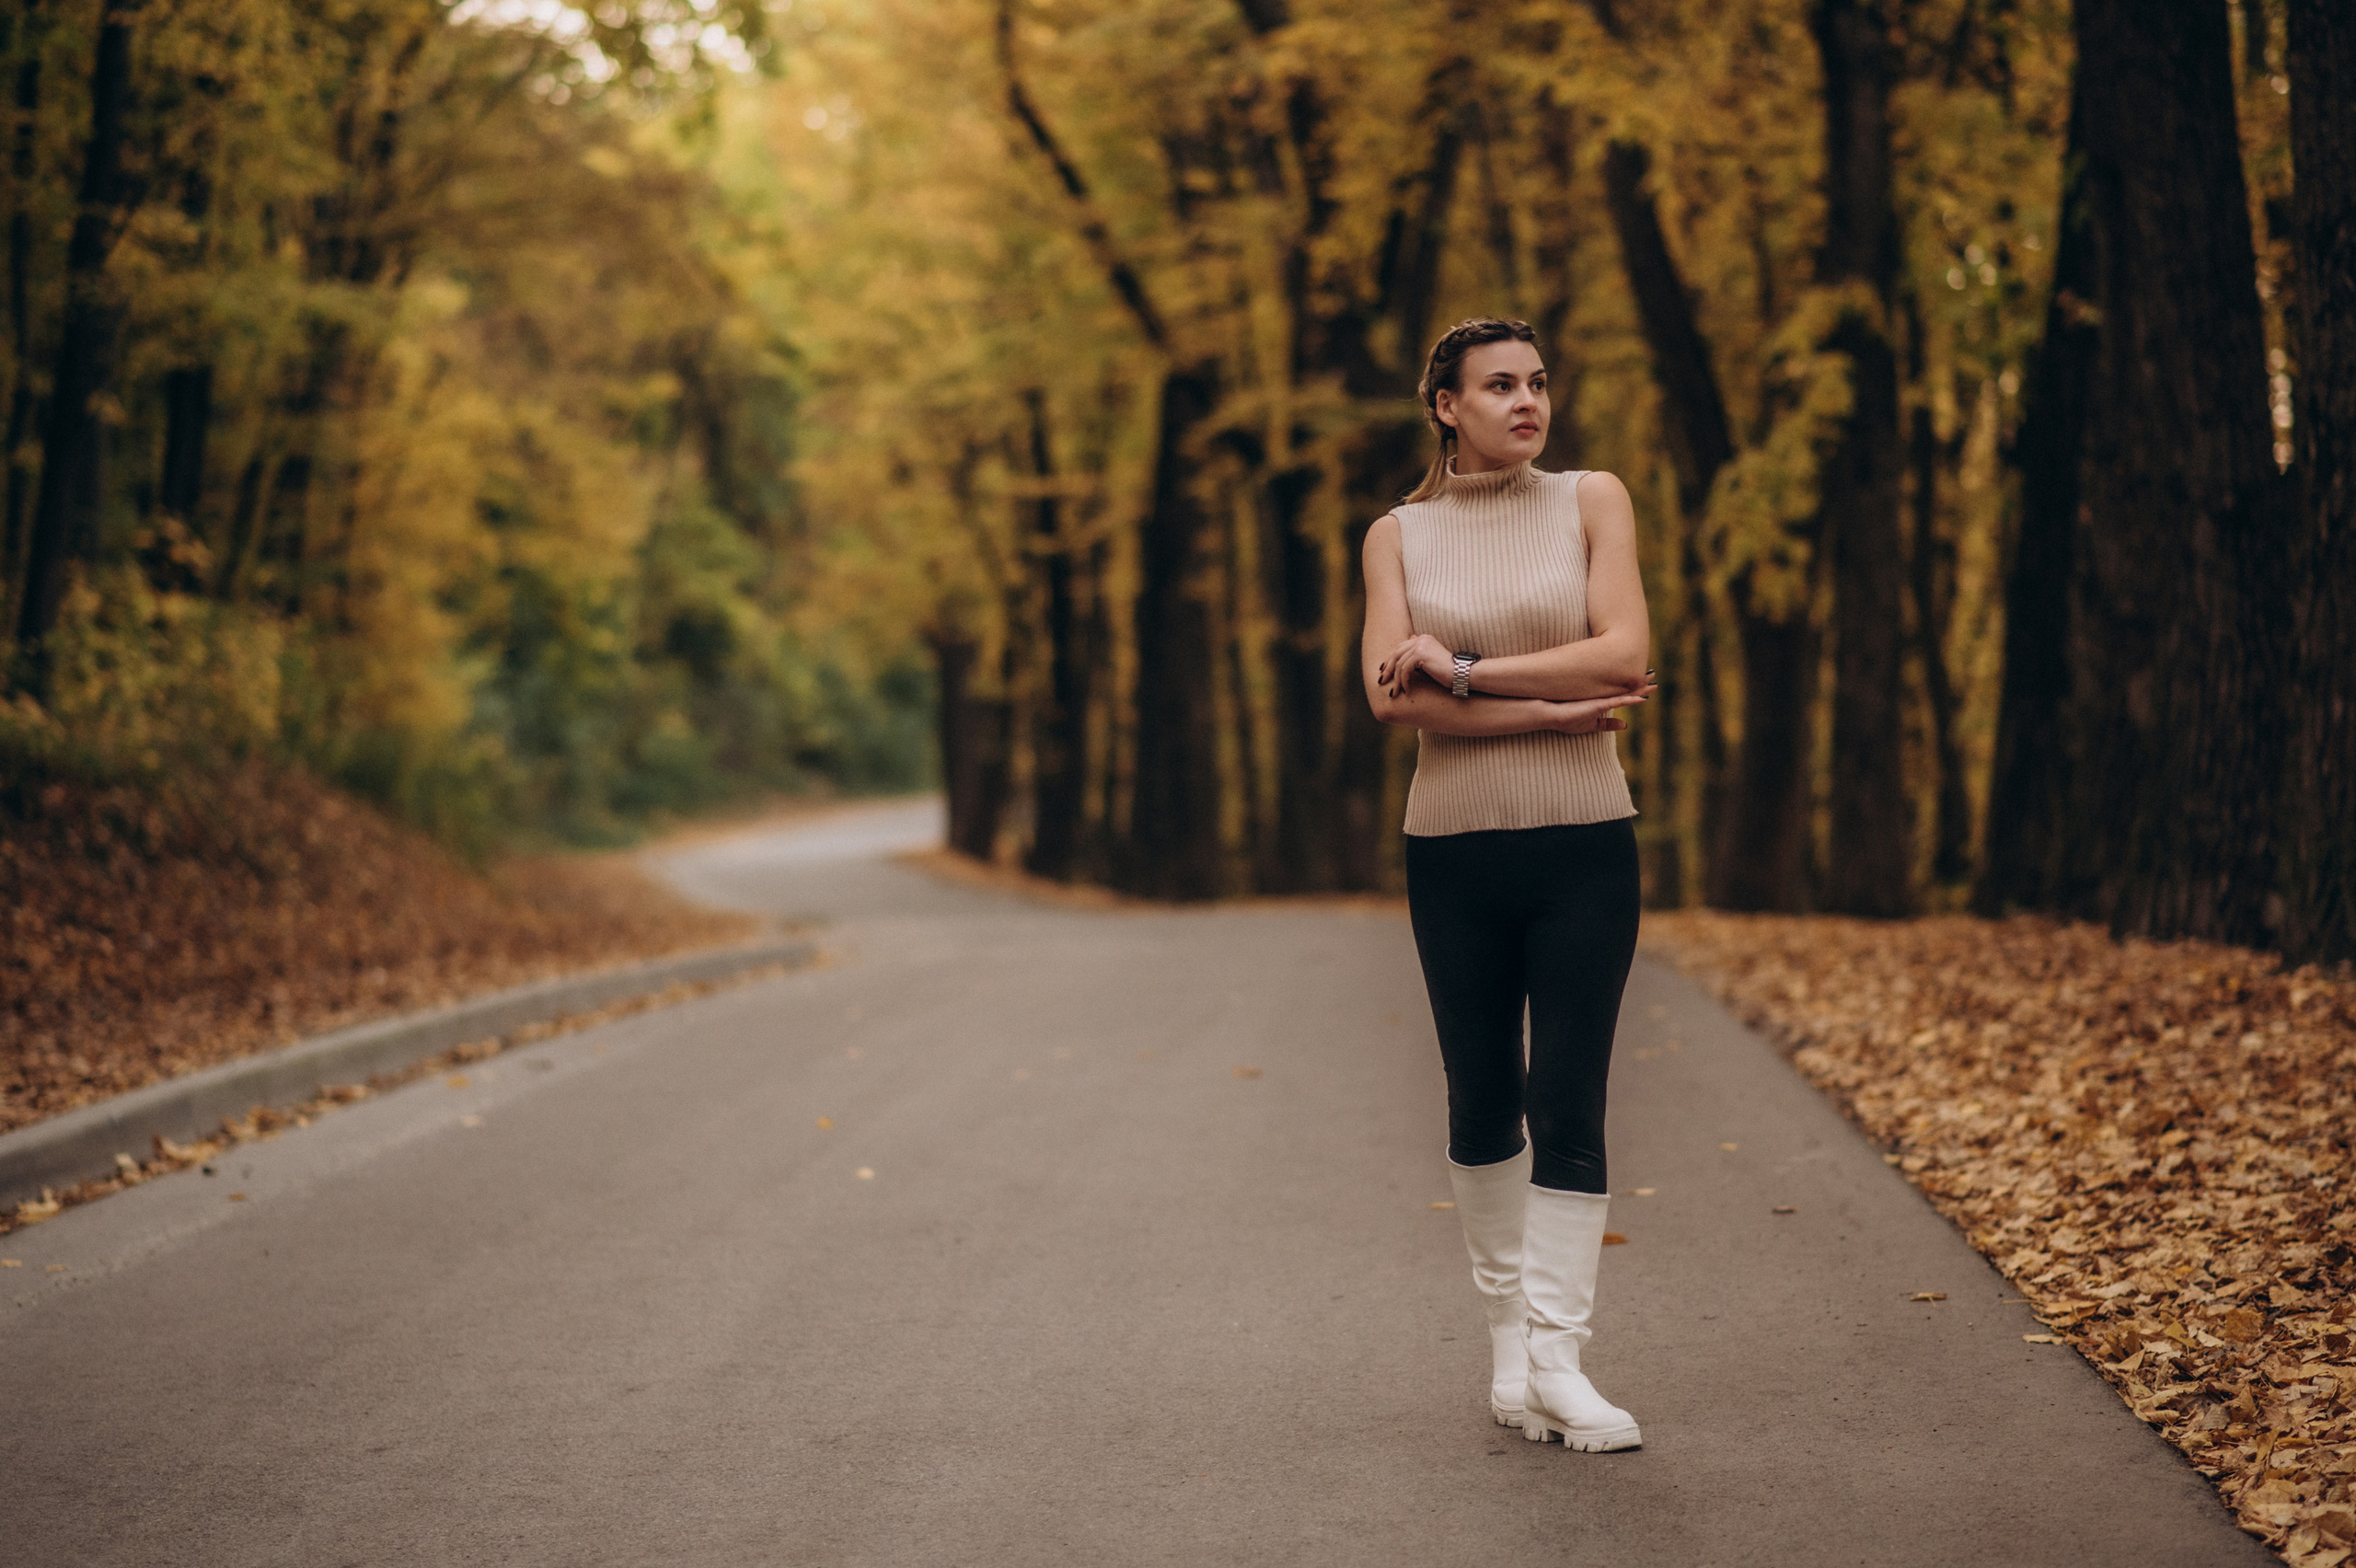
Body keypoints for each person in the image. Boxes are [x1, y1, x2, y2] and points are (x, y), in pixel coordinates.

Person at [1360, 317, 1655, 1453]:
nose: (1527, 402)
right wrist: (1545, 709)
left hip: (1586, 844)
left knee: (1569, 1101)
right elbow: (1393, 700)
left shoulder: (1592, 500)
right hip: (1453, 850)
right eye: (1498, 386)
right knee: (1481, 1100)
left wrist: (1465, 669)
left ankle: (1559, 1362)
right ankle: (1507, 1352)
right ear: (1446, 406)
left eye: (1536, 383)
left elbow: (1621, 655)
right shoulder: (1396, 536)